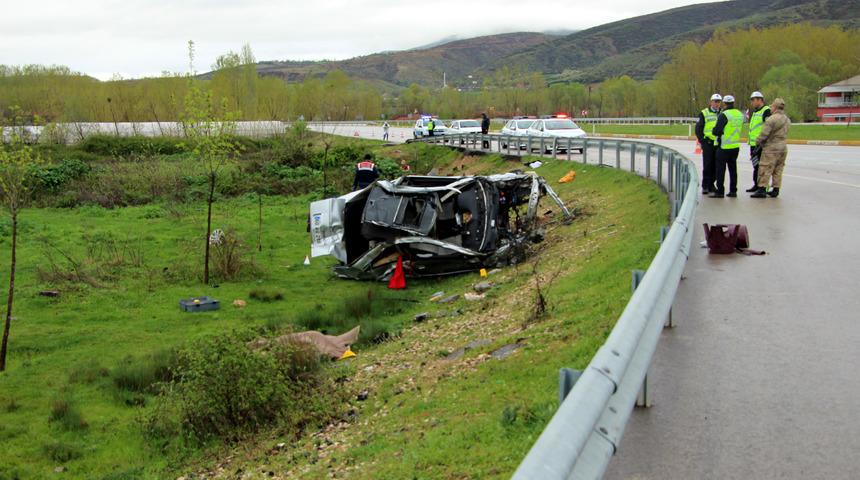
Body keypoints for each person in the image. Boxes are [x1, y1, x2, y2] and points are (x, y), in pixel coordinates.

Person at [751, 98, 790, 198]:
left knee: (765, 167)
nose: (770, 108)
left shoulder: (771, 119)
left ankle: (762, 189)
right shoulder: (786, 119)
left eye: (772, 106)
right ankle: (776, 189)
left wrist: (757, 142)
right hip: (783, 147)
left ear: (775, 107)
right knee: (778, 169)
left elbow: (764, 134)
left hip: (771, 147)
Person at [710, 95, 743, 198]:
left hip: (724, 146)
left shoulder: (724, 115)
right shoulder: (739, 114)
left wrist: (714, 131)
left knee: (720, 170)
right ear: (733, 103)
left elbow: (717, 131)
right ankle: (733, 190)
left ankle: (720, 191)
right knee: (733, 169)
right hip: (735, 146)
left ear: (724, 103)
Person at [695, 93, 722, 194]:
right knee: (707, 165)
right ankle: (705, 185)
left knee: (716, 166)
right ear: (711, 102)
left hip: (718, 143)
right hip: (708, 143)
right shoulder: (704, 113)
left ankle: (711, 185)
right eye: (715, 102)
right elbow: (698, 129)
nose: (717, 104)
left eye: (719, 102)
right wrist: (703, 141)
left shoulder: (722, 113)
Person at [746, 91, 772, 192]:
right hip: (753, 144)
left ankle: (763, 187)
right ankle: (756, 184)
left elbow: (768, 127)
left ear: (760, 100)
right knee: (755, 166)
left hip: (761, 145)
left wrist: (763, 142)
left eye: (753, 100)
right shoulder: (756, 112)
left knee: (762, 167)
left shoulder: (766, 111)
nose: (752, 102)